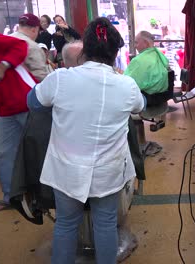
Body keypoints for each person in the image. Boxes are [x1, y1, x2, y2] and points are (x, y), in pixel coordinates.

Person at [27, 17, 145, 263]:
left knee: (66, 224)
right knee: (105, 224)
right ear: (115, 53)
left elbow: (33, 102)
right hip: (108, 170)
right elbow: (140, 107)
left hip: (67, 169)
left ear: (85, 51)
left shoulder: (60, 79)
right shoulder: (127, 86)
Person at [0, 29, 36, 213]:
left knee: (41, 147)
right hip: (5, 107)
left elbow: (20, 46)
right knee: (4, 150)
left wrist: (3, 65)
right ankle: (12, 198)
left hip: (25, 99)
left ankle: (52, 193)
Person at [124, 30, 169, 102]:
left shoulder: (139, 60)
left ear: (146, 43)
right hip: (161, 96)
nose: (135, 46)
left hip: (147, 98)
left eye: (136, 43)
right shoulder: (159, 54)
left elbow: (128, 83)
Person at [10, 13, 51, 81]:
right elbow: (41, 77)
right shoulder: (32, 47)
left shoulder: (7, 39)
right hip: (24, 89)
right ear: (34, 29)